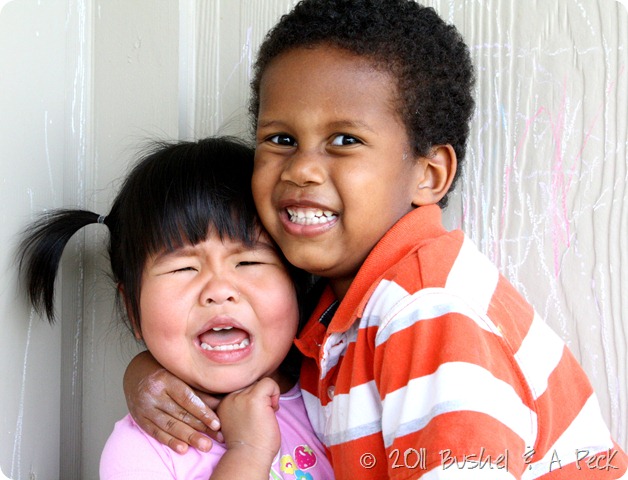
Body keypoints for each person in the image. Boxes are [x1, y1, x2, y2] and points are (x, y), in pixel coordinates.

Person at [123, 1, 628, 478]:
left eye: (345, 140)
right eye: (281, 139)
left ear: (429, 174)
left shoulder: (428, 309)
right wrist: (146, 375)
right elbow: (262, 377)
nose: (302, 169)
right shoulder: (344, 309)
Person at [17, 137, 334, 479]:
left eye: (248, 262)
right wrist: (249, 451)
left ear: (298, 284)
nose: (219, 290)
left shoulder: (334, 395)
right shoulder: (139, 452)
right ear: (132, 308)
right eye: (183, 268)